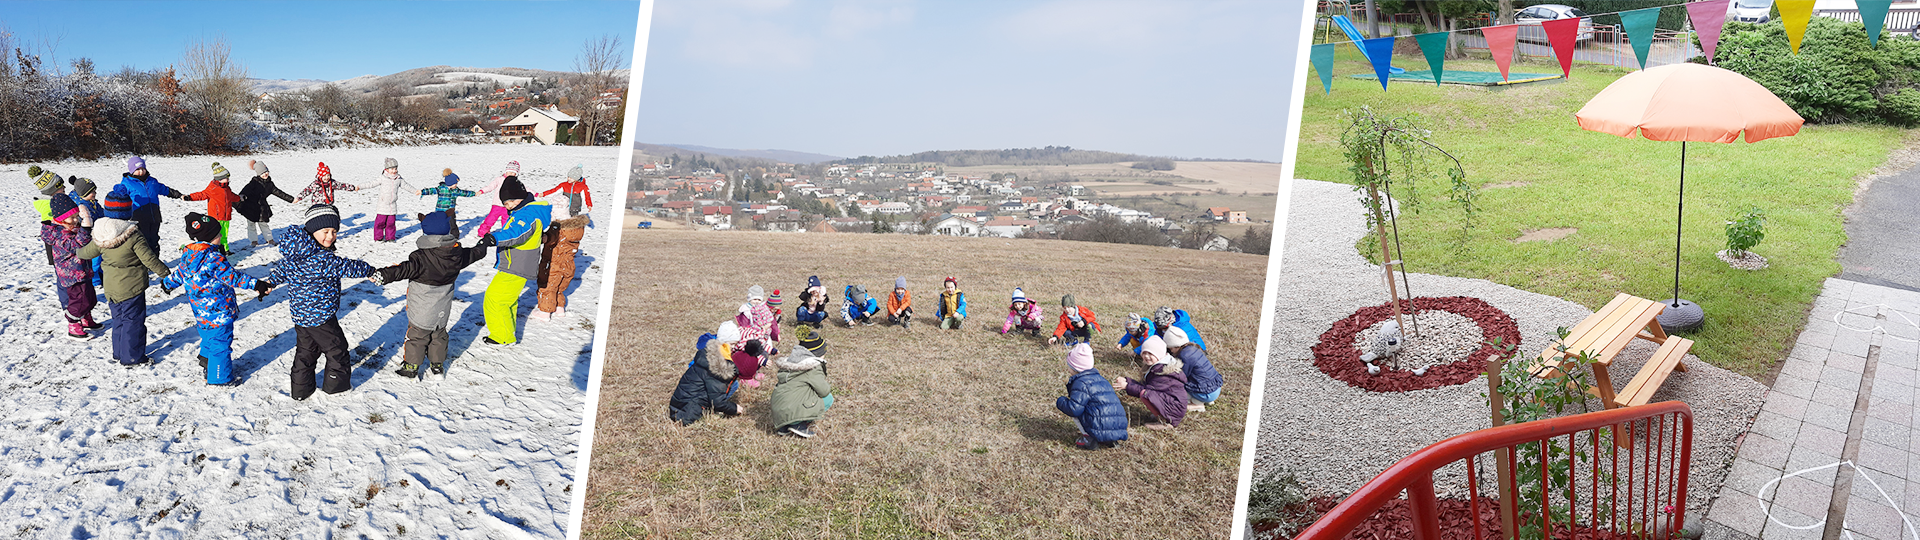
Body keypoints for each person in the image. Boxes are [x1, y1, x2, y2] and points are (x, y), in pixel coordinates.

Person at [268, 204, 377, 400]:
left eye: (334, 231)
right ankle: (336, 388)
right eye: (325, 231)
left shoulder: (296, 253)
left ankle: (301, 390)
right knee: (337, 350)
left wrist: (270, 282)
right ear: (311, 230)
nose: (330, 236)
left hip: (301, 316)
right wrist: (369, 270)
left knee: (306, 352)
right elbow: (348, 267)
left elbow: (281, 271)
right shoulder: (322, 260)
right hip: (321, 316)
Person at [372, 211, 494, 378]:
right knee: (439, 335)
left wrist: (383, 275)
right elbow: (474, 254)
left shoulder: (421, 258)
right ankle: (437, 365)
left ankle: (411, 366)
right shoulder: (456, 254)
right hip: (442, 308)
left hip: (422, 308)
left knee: (417, 336)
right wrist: (484, 244)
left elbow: (402, 269)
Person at [161, 213, 271, 385]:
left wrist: (167, 284)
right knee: (220, 344)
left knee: (208, 335)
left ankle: (206, 360)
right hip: (219, 311)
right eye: (217, 234)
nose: (221, 236)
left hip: (201, 311)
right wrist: (257, 285)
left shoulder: (188, 254)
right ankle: (220, 378)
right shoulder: (214, 258)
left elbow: (179, 274)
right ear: (210, 238)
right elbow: (234, 277)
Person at [81, 189, 171, 366]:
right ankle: (132, 357)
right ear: (128, 212)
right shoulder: (133, 235)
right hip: (132, 287)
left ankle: (119, 352)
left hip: (111, 288)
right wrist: (166, 274)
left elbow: (86, 252)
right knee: (133, 322)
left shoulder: (101, 233)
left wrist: (73, 250)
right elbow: (149, 259)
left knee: (118, 320)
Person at [481, 177, 551, 345]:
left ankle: (502, 337)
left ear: (519, 198)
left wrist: (494, 238)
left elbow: (516, 234)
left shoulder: (527, 215)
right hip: (518, 263)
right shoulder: (527, 212)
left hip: (517, 265)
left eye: (508, 203)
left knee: (494, 299)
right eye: (505, 203)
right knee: (507, 301)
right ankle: (507, 333)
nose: (507, 207)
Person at [40, 195, 97, 340]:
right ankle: (73, 322)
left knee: (90, 297)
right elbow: (76, 244)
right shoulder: (60, 234)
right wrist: (86, 227)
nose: (76, 220)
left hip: (82, 270)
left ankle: (85, 318)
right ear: (60, 219)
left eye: (77, 216)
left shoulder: (72, 228)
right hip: (72, 275)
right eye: (71, 218)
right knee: (79, 300)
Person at [668, 323, 746, 425]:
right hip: (684, 413)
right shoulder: (718, 365)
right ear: (724, 343)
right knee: (728, 386)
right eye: (732, 344)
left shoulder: (707, 354)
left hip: (677, 404)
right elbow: (717, 401)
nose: (733, 348)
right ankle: (707, 411)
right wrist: (734, 408)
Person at [1053, 343, 1128, 450]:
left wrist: (1061, 401)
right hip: (1119, 425)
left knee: (1079, 410)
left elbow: (1074, 409)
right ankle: (1110, 440)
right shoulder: (1101, 379)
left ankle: (1089, 438)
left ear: (1074, 368)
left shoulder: (1081, 383)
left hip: (1100, 425)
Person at [769, 329, 833, 439]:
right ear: (818, 354)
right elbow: (824, 391)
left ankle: (786, 425)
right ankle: (799, 423)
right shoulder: (812, 367)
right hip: (794, 409)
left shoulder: (790, 363)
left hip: (777, 411)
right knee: (828, 398)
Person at [1117, 335, 1188, 430]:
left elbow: (1146, 390)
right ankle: (1161, 414)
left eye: (1150, 354)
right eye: (1144, 353)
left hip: (1175, 409)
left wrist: (1127, 386)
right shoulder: (1157, 367)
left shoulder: (1163, 373)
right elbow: (1147, 385)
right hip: (1172, 404)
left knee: (1145, 394)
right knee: (1146, 392)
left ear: (1159, 354)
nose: (1146, 356)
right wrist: (1128, 380)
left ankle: (1166, 422)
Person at [117, 156, 187, 252]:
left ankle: (155, 262)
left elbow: (165, 189)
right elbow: (119, 197)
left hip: (154, 217)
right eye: (137, 169)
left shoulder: (152, 181)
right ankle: (143, 264)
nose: (141, 171)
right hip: (139, 218)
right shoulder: (127, 184)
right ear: (131, 170)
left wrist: (179, 195)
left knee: (154, 240)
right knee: (142, 241)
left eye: (143, 169)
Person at [532, 210, 590, 320]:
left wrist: (542, 237)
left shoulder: (557, 229)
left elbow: (550, 238)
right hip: (568, 266)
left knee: (548, 287)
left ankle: (545, 312)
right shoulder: (576, 230)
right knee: (559, 288)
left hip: (554, 265)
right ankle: (559, 308)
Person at [183, 162, 244, 252]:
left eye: (228, 177)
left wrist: (239, 198)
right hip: (216, 217)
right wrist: (190, 197)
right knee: (216, 235)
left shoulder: (227, 188)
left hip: (226, 216)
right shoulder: (212, 188)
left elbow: (231, 196)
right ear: (219, 179)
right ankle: (216, 250)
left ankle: (225, 250)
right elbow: (202, 195)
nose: (228, 179)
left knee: (224, 234)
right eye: (226, 178)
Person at [235, 160, 296, 249]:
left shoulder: (269, 184)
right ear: (258, 174)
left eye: (266, 171)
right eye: (262, 173)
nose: (265, 174)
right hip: (250, 207)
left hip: (262, 207)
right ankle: (253, 241)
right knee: (251, 224)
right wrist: (242, 195)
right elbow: (246, 190)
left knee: (264, 223)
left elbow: (278, 192)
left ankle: (270, 239)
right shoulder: (254, 182)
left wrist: (291, 199)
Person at [1166, 327, 1223, 413]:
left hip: (1206, 393)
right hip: (1215, 388)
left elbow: (1181, 377)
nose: (1171, 351)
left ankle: (1197, 404)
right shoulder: (1193, 348)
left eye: (1170, 348)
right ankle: (1207, 400)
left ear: (1176, 346)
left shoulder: (1184, 356)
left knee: (1178, 391)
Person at [69, 177, 105, 288]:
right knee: (94, 259)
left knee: (101, 257)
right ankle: (95, 281)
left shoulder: (91, 201)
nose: (95, 193)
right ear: (84, 193)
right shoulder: (80, 207)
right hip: (89, 236)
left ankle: (102, 275)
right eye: (92, 192)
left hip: (99, 233)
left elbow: (101, 212)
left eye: (94, 190)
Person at [471, 161, 521, 238]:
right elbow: (490, 186)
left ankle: (506, 234)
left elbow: (523, 190)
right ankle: (482, 233)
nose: (510, 174)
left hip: (508, 206)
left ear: (516, 174)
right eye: (509, 172)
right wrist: (482, 191)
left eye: (513, 172)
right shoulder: (499, 179)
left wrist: (536, 194)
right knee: (490, 220)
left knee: (506, 221)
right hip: (497, 205)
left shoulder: (516, 182)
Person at [369, 157, 414, 242]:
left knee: (391, 223)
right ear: (387, 169)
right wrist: (359, 187)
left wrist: (416, 191)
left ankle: (390, 237)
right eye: (392, 169)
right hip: (382, 205)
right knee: (380, 223)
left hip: (392, 206)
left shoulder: (398, 179)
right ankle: (378, 238)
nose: (394, 170)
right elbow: (371, 184)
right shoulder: (383, 178)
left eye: (396, 168)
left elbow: (407, 186)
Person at [419, 169, 476, 233]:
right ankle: (439, 233)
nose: (456, 185)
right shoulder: (441, 189)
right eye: (455, 183)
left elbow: (464, 193)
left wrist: (474, 193)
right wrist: (422, 192)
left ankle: (454, 237)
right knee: (439, 224)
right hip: (440, 211)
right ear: (450, 183)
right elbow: (431, 190)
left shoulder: (456, 190)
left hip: (450, 211)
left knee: (452, 224)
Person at [294, 162, 361, 206]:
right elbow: (306, 191)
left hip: (328, 205)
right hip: (317, 206)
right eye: (324, 176)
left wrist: (353, 188)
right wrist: (298, 198)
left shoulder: (332, 183)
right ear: (320, 176)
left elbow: (342, 186)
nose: (326, 178)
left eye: (328, 175)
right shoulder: (315, 185)